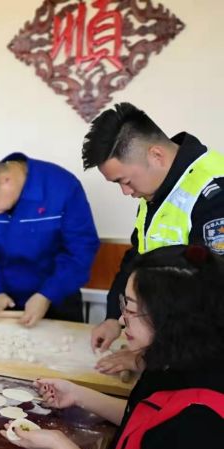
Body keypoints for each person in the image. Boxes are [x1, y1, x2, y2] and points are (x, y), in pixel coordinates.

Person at [3, 244, 224, 449]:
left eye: (130, 309)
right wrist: (79, 395)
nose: (121, 319)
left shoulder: (203, 424)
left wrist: (60, 445)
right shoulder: (175, 359)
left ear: (170, 319)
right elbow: (148, 419)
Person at [83, 102, 224, 373]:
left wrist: (147, 359)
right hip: (169, 350)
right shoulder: (157, 190)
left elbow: (212, 298)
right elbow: (139, 258)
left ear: (156, 155)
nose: (126, 192)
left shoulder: (214, 191)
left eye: (125, 181)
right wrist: (114, 317)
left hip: (201, 361)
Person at [0, 154, 99, 327]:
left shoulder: (62, 186)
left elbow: (81, 248)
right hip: (4, 300)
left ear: (5, 181)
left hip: (59, 295)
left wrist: (48, 294)